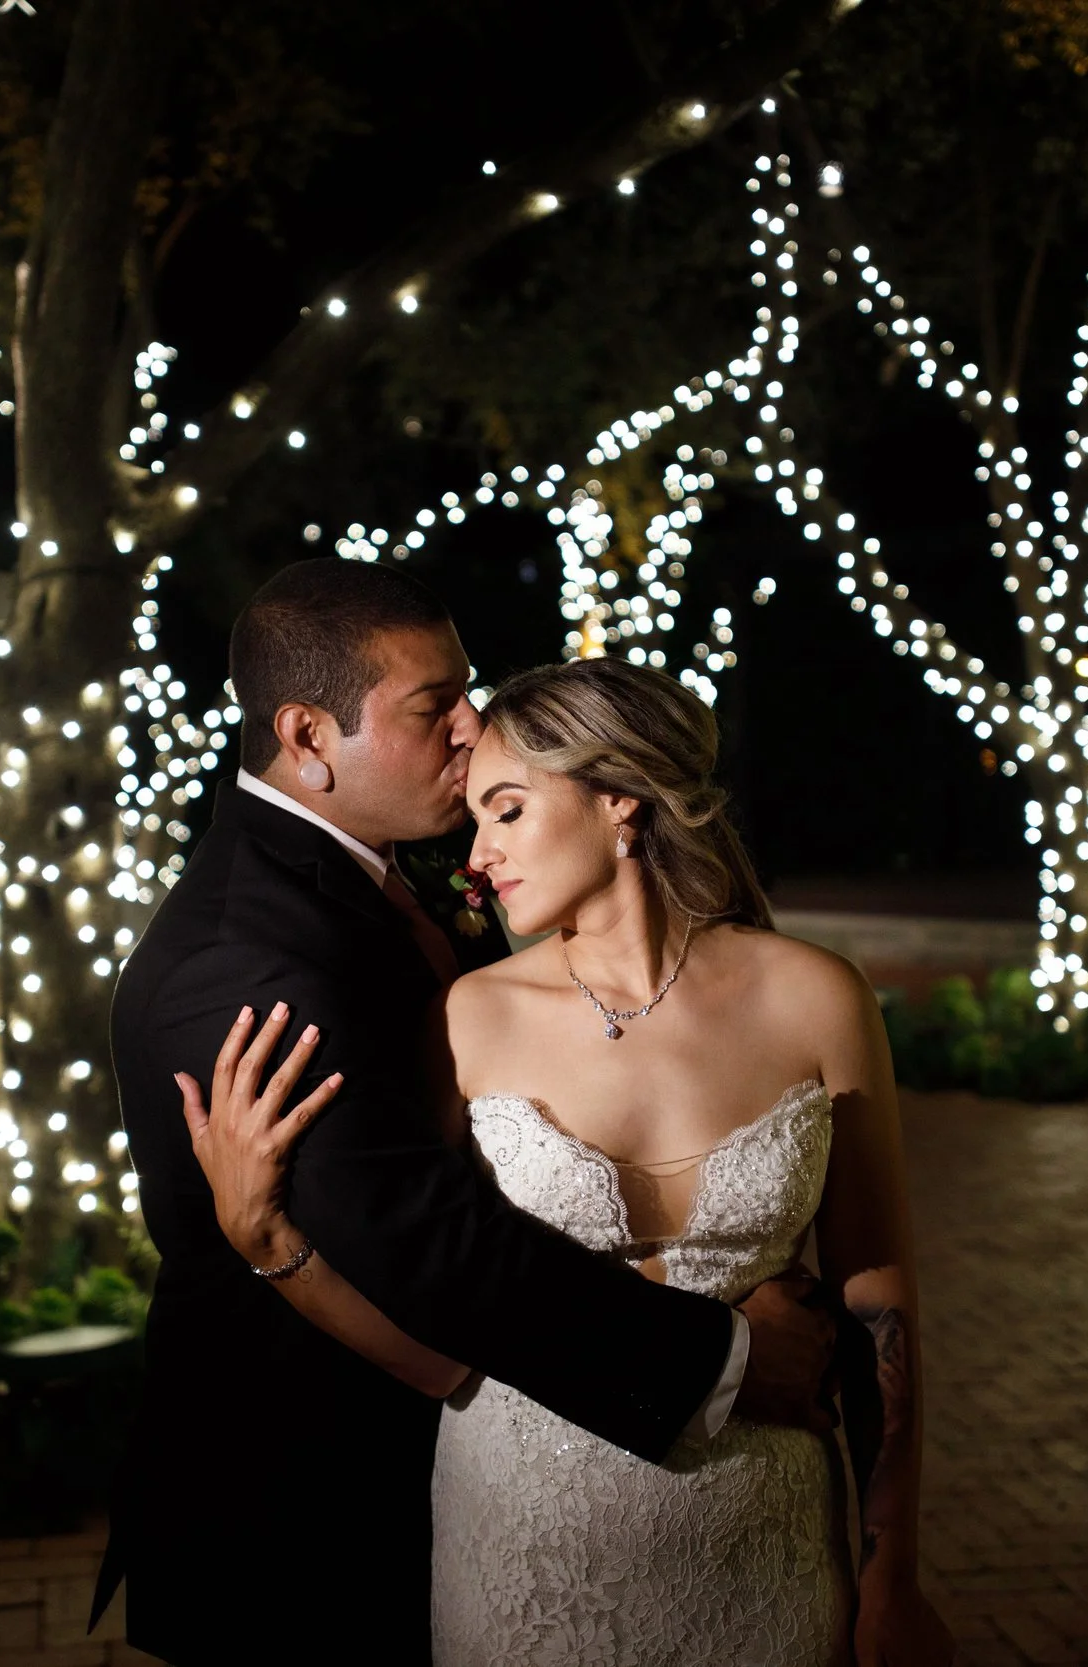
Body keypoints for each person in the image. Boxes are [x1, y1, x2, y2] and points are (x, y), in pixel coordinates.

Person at [100, 559, 841, 1665]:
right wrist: (725, 1357)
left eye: (467, 690)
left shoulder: (398, 868)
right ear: (306, 735)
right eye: (430, 704)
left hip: (474, 1471)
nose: (471, 724)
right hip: (299, 1515)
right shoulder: (244, 953)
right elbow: (426, 1242)